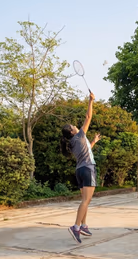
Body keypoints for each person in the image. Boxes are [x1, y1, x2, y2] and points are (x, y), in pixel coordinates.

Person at [60, 92, 101, 243]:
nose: (75, 125)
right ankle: (76, 227)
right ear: (72, 131)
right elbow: (88, 117)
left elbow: (87, 150)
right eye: (73, 126)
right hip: (88, 169)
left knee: (86, 200)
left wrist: (94, 141)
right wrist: (91, 101)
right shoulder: (80, 135)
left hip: (79, 170)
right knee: (86, 200)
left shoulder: (72, 143)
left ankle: (83, 225)